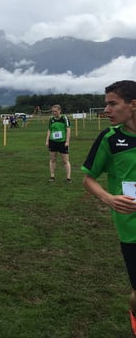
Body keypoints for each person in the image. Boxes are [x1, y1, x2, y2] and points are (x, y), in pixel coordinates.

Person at [81, 80, 136, 335]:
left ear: (132, 105)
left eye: (112, 104)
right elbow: (88, 179)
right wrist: (109, 199)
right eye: (106, 104)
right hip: (131, 228)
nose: (106, 110)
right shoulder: (110, 138)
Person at [45, 104, 72, 183]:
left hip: (62, 142)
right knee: (52, 159)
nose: (54, 113)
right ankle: (52, 176)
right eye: (53, 111)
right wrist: (47, 140)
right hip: (53, 142)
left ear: (60, 111)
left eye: (55, 111)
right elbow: (49, 130)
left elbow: (68, 129)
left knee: (65, 160)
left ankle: (68, 177)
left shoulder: (64, 118)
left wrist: (67, 141)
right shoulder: (51, 119)